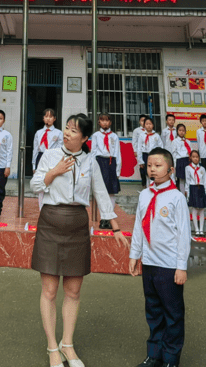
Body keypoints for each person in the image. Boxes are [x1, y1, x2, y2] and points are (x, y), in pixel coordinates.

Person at [30, 113, 129, 367]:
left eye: (74, 131)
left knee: (73, 291)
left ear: (85, 138)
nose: (67, 133)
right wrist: (54, 172)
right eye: (66, 128)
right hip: (50, 221)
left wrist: (115, 227)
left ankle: (68, 345)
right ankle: (53, 347)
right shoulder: (50, 155)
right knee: (49, 290)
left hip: (77, 225)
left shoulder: (90, 162)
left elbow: (101, 194)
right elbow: (35, 185)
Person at [129, 147, 191, 367]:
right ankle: (154, 355)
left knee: (172, 313)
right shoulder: (145, 195)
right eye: (149, 166)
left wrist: (181, 266)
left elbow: (184, 235)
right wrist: (134, 255)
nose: (152, 169)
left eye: (158, 165)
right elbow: (139, 226)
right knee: (153, 311)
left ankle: (171, 358)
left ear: (171, 169)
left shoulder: (176, 198)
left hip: (169, 266)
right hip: (149, 263)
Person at [91, 114, 120, 227]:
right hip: (100, 162)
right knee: (101, 191)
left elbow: (117, 153)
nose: (104, 123)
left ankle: (108, 218)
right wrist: (92, 167)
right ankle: (103, 217)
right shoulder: (96, 135)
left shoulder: (114, 136)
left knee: (111, 191)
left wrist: (118, 170)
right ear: (99, 122)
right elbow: (93, 151)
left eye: (107, 121)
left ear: (110, 122)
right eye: (102, 120)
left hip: (111, 162)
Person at [184, 149, 206, 237]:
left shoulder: (202, 168)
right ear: (190, 158)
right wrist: (187, 192)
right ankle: (196, 229)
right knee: (194, 209)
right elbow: (187, 181)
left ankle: (201, 229)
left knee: (201, 210)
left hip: (201, 188)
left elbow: (205, 181)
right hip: (193, 188)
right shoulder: (188, 168)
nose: (195, 159)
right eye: (193, 157)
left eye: (197, 157)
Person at [137, 118, 164, 189]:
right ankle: (148, 189)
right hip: (145, 156)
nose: (149, 126)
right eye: (147, 124)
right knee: (147, 174)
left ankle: (154, 189)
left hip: (154, 156)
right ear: (144, 125)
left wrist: (160, 157)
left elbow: (160, 146)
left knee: (154, 173)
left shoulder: (156, 136)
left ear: (153, 125)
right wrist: (140, 161)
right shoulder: (142, 135)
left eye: (150, 124)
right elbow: (139, 148)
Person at [170, 124, 193, 193]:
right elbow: (173, 153)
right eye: (180, 130)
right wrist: (174, 165)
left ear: (185, 132)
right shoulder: (175, 141)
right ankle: (183, 195)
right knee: (181, 180)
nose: (181, 132)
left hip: (187, 161)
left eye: (183, 130)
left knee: (188, 179)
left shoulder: (188, 141)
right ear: (177, 131)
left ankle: (188, 196)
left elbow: (191, 152)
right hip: (180, 161)